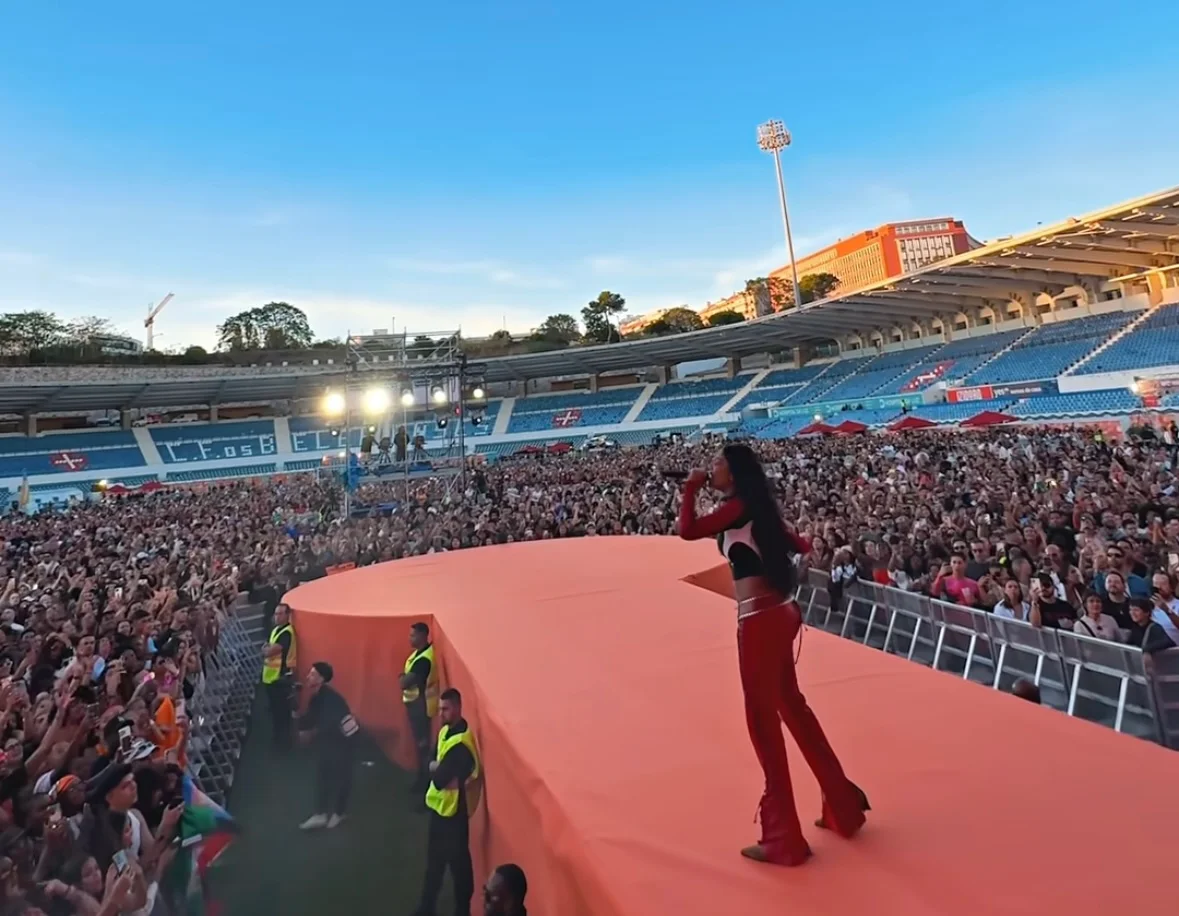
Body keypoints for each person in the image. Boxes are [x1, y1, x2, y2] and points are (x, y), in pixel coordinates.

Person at [677, 443, 868, 867]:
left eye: (718, 465)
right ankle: (843, 805)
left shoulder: (738, 507)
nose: (712, 469)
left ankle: (783, 837)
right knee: (795, 711)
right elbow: (801, 544)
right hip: (782, 613)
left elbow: (688, 530)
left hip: (759, 620)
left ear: (735, 472)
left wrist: (690, 490)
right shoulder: (756, 508)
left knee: (764, 725)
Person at [414, 688, 480, 916]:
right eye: (440, 709)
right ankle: (426, 909)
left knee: (459, 871)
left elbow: (440, 778)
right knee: (434, 865)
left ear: (459, 708)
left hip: (455, 815)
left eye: (446, 709)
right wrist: (435, 768)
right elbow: (430, 764)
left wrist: (435, 768)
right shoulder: (444, 732)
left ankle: (462, 912)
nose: (442, 713)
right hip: (439, 810)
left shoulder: (462, 743)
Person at [297, 662, 359, 830]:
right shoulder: (316, 697)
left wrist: (311, 734)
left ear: (321, 679)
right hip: (330, 741)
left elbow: (331, 724)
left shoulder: (332, 699)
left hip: (345, 741)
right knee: (323, 773)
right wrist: (300, 722)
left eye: (312, 674)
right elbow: (310, 717)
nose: (308, 677)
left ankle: (339, 813)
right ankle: (321, 814)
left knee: (342, 776)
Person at [401, 623, 440, 793]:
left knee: (424, 748)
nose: (410, 639)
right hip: (417, 706)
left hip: (421, 708)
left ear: (424, 636)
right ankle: (421, 780)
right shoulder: (419, 655)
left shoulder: (424, 659)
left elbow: (405, 683)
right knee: (420, 747)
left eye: (413, 636)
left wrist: (401, 679)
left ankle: (426, 786)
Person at [261, 604, 297, 749]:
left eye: (280, 614)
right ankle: (279, 741)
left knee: (282, 713)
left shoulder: (287, 632)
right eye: (276, 614)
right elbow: (267, 649)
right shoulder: (276, 630)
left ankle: (284, 743)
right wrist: (266, 649)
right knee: (276, 713)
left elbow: (268, 651)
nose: (277, 617)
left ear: (287, 615)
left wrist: (266, 649)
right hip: (271, 677)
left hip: (280, 678)